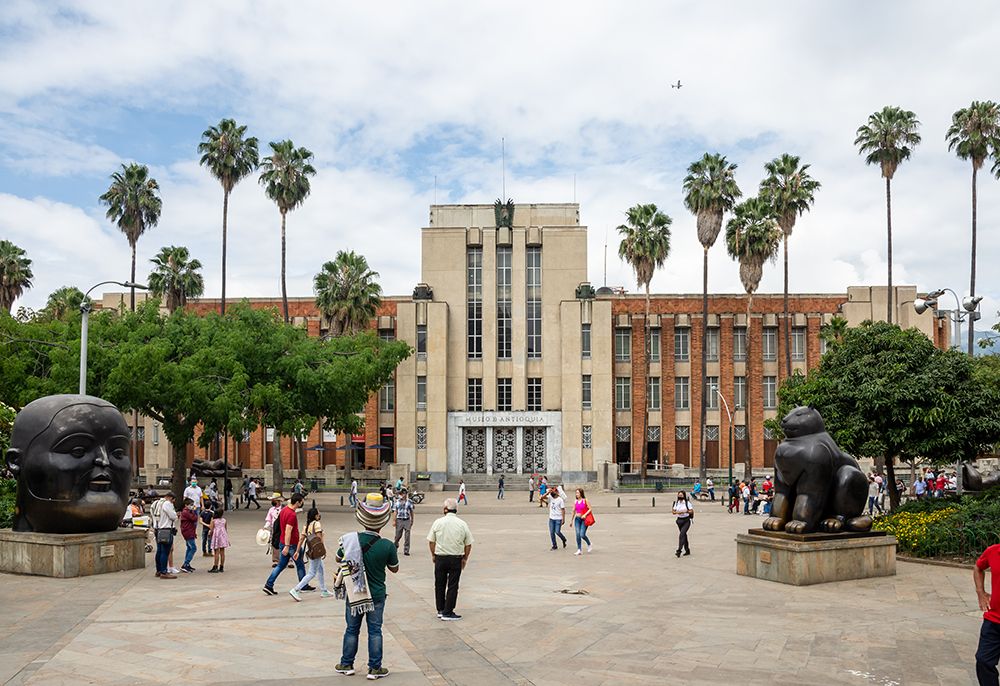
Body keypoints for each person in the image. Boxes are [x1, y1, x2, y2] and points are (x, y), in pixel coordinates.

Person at [333, 493, 398, 679]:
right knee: (375, 630)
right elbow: (395, 568)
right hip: (377, 594)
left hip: (355, 594)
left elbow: (338, 558)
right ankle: (374, 668)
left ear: (363, 519)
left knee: (352, 629)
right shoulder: (387, 545)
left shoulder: (350, 540)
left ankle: (346, 664)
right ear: (382, 521)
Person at [426, 497, 474, 621]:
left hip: (440, 557)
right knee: (453, 585)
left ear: (445, 509)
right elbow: (468, 544)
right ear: (456, 510)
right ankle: (448, 611)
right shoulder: (462, 524)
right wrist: (465, 559)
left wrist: (433, 554)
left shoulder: (438, 522)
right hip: (455, 558)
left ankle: (440, 609)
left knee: (439, 584)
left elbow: (431, 541)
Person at [262, 493, 307, 595]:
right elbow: (288, 530)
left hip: (283, 542)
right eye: (301, 502)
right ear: (297, 502)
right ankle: (303, 585)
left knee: (281, 565)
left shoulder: (284, 510)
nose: (302, 504)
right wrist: (287, 546)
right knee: (300, 564)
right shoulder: (291, 514)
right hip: (291, 544)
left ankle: (268, 585)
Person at [290, 503, 333, 600]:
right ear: (315, 515)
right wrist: (323, 550)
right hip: (317, 550)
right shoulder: (317, 524)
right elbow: (319, 537)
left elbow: (301, 539)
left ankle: (324, 590)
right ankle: (296, 589)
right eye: (318, 513)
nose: (319, 515)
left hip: (311, 550)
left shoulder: (307, 525)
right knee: (312, 573)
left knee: (321, 569)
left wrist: (297, 551)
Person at [975, 542, 1000, 684]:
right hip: (994, 620)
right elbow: (978, 567)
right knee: (983, 661)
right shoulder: (993, 551)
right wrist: (981, 592)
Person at [153, 492, 178, 579]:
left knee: (159, 550)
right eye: (173, 501)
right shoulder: (167, 504)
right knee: (165, 551)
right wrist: (176, 515)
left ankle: (159, 570)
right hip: (166, 529)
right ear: (171, 498)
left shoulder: (156, 503)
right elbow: (173, 516)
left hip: (157, 528)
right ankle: (164, 572)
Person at [393, 489, 415, 556]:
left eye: (405, 494)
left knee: (407, 535)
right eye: (402, 494)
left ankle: (406, 550)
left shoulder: (409, 502)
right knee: (398, 535)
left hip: (407, 520)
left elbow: (411, 511)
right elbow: (395, 511)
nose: (404, 495)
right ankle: (395, 545)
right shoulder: (397, 502)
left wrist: (412, 520)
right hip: (399, 520)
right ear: (400, 494)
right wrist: (394, 520)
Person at [264, 494, 284, 566]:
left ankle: (289, 560)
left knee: (286, 543)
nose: (272, 501)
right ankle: (276, 560)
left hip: (283, 527)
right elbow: (269, 520)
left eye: (274, 500)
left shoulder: (284, 509)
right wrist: (265, 527)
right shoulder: (271, 510)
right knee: (275, 543)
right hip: (274, 528)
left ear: (278, 501)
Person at [179, 497, 198, 573]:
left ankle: (187, 563)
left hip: (189, 531)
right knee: (193, 548)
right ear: (186, 505)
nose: (192, 506)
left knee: (189, 548)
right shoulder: (186, 512)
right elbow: (194, 518)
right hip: (188, 532)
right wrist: (194, 511)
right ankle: (186, 564)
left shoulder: (188, 511)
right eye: (191, 505)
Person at [672, 490, 693, 557]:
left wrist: (685, 511)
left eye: (681, 495)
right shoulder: (676, 503)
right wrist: (678, 512)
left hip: (686, 520)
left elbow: (691, 511)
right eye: (679, 495)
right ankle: (687, 550)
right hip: (679, 521)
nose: (680, 496)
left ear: (684, 496)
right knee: (684, 535)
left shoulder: (687, 503)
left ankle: (679, 550)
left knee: (681, 534)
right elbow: (673, 512)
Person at [572, 488, 593, 555]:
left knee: (582, 534)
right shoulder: (575, 501)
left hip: (584, 519)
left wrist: (585, 515)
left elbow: (590, 509)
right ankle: (579, 549)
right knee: (577, 534)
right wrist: (571, 520)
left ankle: (589, 544)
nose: (577, 494)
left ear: (581, 493)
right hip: (577, 519)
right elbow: (573, 511)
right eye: (576, 493)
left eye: (578, 493)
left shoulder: (585, 500)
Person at [208, 507, 229, 573]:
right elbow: (225, 529)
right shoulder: (224, 520)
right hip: (223, 536)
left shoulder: (214, 521)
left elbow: (211, 529)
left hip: (216, 536)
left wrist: (210, 535)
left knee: (216, 552)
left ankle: (215, 566)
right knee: (222, 552)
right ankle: (221, 566)